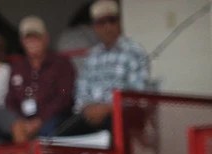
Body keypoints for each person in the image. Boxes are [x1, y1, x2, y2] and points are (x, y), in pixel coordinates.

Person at [60, 1, 151, 137]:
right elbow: (81, 91)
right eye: (101, 22)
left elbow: (138, 96)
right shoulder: (92, 56)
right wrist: (88, 108)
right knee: (60, 135)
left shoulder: (135, 52)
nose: (107, 26)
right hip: (92, 115)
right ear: (94, 27)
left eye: (112, 20)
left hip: (121, 115)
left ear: (119, 23)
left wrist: (108, 108)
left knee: (113, 133)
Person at [7, 17, 76, 140]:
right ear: (22, 41)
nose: (32, 42)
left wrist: (40, 120)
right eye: (28, 38)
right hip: (25, 122)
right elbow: (10, 100)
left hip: (54, 119)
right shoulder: (18, 67)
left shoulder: (61, 63)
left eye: (36, 37)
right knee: (12, 130)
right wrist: (20, 122)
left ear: (46, 38)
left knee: (48, 130)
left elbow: (64, 97)